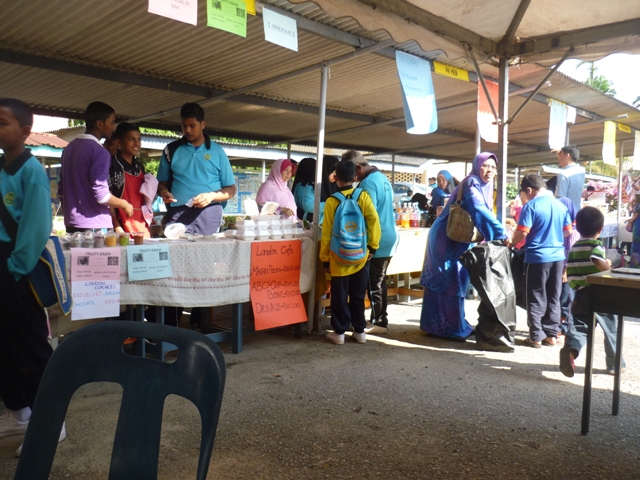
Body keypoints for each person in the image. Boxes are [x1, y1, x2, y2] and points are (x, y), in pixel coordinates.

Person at [0, 99, 66, 456]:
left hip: (17, 267)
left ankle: (51, 422)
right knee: (5, 344)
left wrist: (16, 267)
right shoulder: (1, 168)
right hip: (4, 264)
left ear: (25, 131)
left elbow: (36, 226)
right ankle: (20, 413)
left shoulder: (32, 171)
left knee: (29, 345)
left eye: (2, 122)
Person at [419, 153, 507, 340]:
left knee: (457, 279)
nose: (489, 170)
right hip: (445, 239)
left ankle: (451, 324)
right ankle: (447, 328)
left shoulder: (483, 186)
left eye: (493, 167)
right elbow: (477, 208)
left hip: (457, 238)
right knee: (450, 279)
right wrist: (500, 233)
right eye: (485, 166)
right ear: (477, 166)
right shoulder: (472, 183)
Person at [560, 207, 626, 377]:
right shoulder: (595, 245)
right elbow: (597, 261)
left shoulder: (575, 246)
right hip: (598, 292)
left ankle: (571, 351)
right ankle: (615, 364)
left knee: (581, 325)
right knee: (610, 327)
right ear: (600, 229)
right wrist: (610, 269)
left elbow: (571, 268)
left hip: (579, 293)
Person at [321, 160, 381, 345]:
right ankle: (359, 331)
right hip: (360, 256)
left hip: (338, 257)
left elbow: (326, 233)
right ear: (355, 177)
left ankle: (339, 333)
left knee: (339, 296)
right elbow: (373, 221)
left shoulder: (331, 201)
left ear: (336, 177)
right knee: (358, 294)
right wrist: (372, 246)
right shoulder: (363, 196)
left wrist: (325, 258)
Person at [509, 174, 572, 348]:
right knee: (553, 295)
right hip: (558, 257)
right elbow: (568, 231)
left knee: (535, 295)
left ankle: (535, 336)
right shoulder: (560, 205)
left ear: (529, 190)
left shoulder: (531, 206)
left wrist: (510, 242)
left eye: (524, 194)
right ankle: (551, 335)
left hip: (537, 257)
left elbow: (522, 232)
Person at [157, 102, 236, 235]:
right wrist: (164, 192)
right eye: (184, 126)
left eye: (192, 126)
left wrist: (211, 196)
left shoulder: (218, 152)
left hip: (209, 213)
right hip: (177, 212)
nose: (187, 130)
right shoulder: (171, 150)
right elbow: (160, 184)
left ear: (202, 124)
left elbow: (231, 190)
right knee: (174, 248)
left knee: (208, 248)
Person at [58, 102, 133, 232]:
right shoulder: (100, 152)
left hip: (71, 223)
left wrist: (70, 217)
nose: (113, 127)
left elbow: (61, 191)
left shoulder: (68, 149)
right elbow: (101, 196)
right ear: (99, 124)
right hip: (94, 225)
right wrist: (124, 204)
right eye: (111, 122)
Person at [345, 149, 398, 334]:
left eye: (353, 172)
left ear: (358, 167)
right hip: (389, 234)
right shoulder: (382, 178)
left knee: (373, 282)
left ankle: (379, 322)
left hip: (378, 237)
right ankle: (379, 318)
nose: (353, 177)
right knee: (379, 280)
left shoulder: (367, 183)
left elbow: (369, 214)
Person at [107, 123, 157, 237]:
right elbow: (107, 198)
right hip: (120, 223)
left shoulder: (139, 167)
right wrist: (116, 226)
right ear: (119, 142)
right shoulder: (111, 165)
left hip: (141, 222)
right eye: (131, 139)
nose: (136, 143)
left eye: (139, 139)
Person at [557, 196, 580, 337]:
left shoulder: (572, 231)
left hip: (568, 271)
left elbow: (570, 253)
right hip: (562, 268)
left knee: (566, 299)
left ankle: (564, 327)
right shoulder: (563, 228)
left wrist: (565, 271)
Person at [296, 155, 339, 224]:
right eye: (333, 173)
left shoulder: (338, 185)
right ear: (326, 171)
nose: (335, 176)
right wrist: (332, 205)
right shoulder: (313, 185)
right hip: (314, 225)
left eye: (337, 173)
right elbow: (308, 205)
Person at [554, 145, 585, 210]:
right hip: (577, 211)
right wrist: (561, 154)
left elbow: (561, 199)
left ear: (567, 156)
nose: (558, 159)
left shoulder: (563, 174)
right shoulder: (582, 171)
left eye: (560, 155)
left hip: (566, 212)